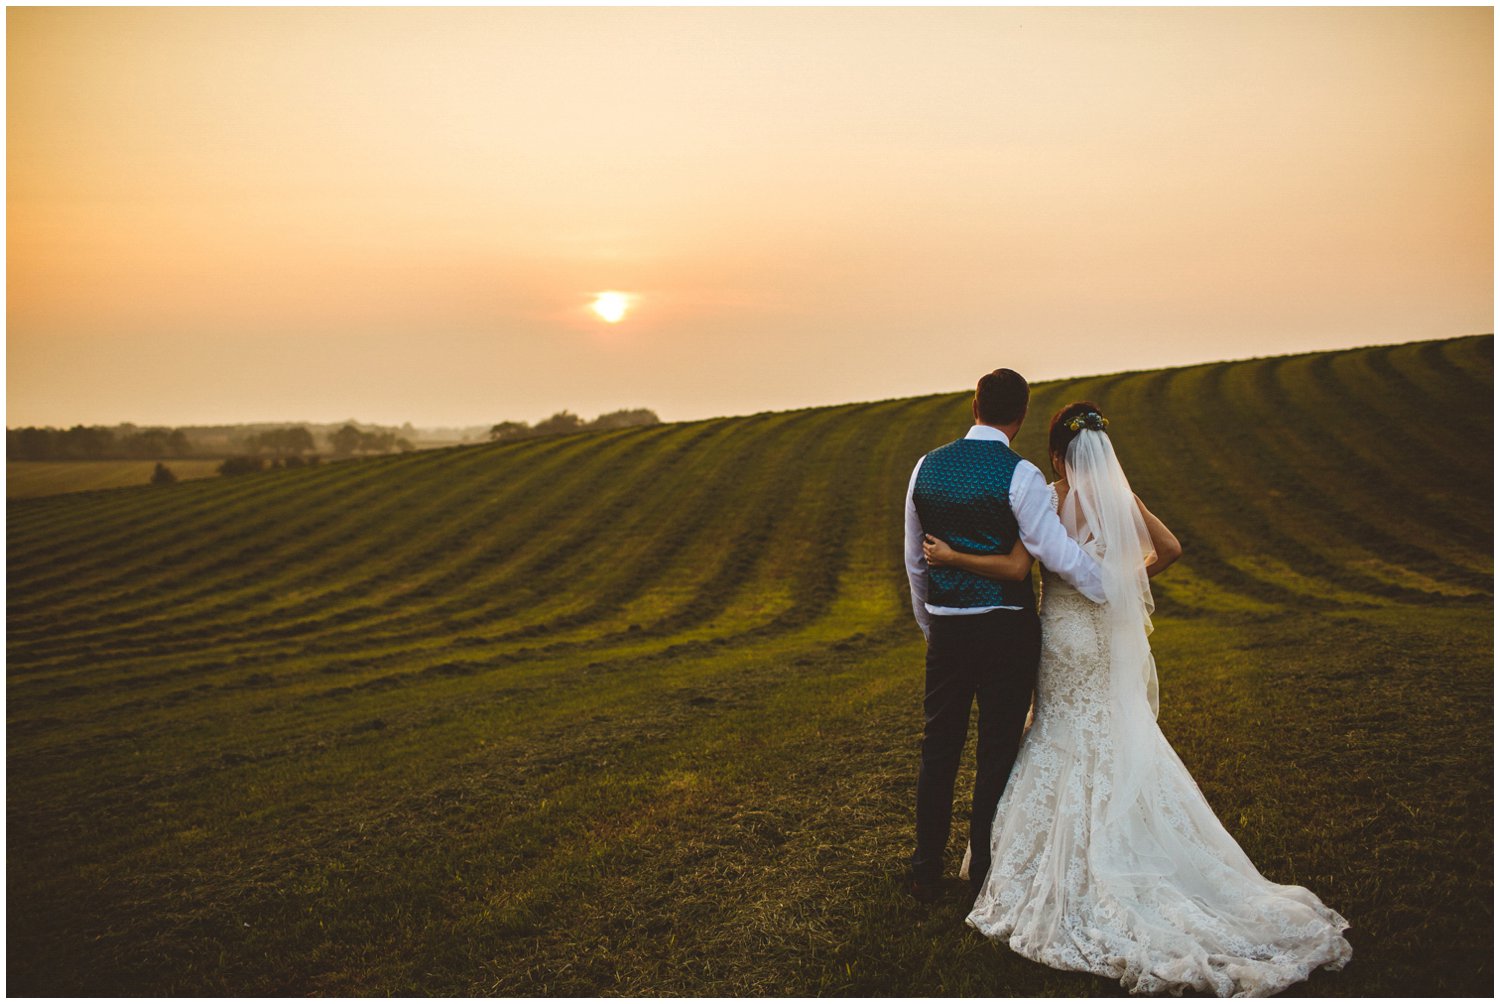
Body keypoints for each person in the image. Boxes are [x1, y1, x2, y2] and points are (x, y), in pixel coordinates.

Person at [922, 401, 1352, 996]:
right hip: (1104, 635)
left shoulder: (1046, 498)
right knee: (1114, 728)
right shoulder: (1123, 502)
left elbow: (1026, 563)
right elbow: (1171, 549)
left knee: (1056, 727)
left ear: (1056, 457)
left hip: (1065, 636)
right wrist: (1127, 581)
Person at [903, 369, 1107, 905]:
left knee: (938, 750)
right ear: (1019, 416)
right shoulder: (1021, 475)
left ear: (974, 406)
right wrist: (1106, 587)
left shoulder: (925, 467)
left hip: (948, 630)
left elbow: (913, 561)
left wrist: (933, 624)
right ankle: (985, 872)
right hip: (1005, 633)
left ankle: (926, 869)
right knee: (997, 751)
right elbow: (1053, 550)